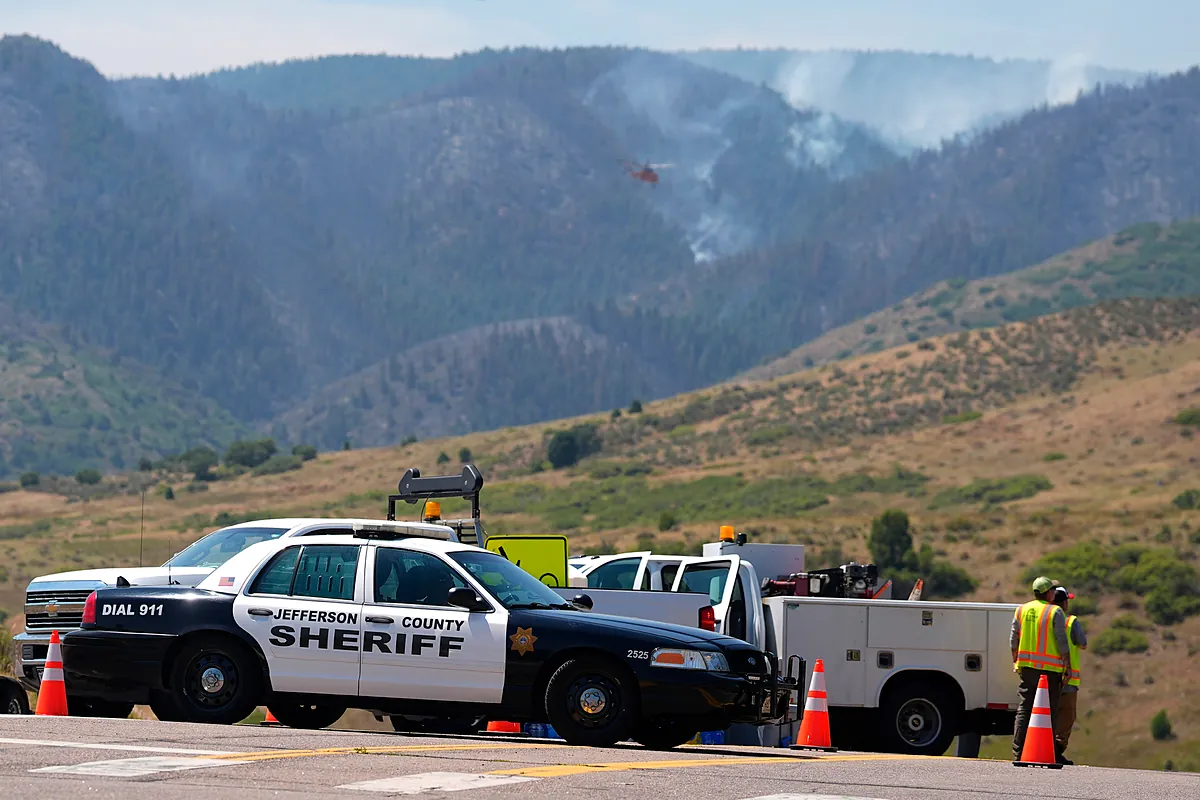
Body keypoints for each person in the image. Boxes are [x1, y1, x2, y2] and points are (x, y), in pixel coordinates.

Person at [1010, 575, 1070, 762]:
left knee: (1025, 709)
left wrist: (1016, 661)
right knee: (1049, 711)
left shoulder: (1022, 610)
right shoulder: (1054, 612)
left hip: (1027, 669)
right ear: (1048, 593)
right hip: (1049, 671)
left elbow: (1013, 640)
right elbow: (1061, 641)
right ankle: (1048, 754)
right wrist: (1066, 665)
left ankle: (1018, 753)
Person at [1051, 586, 1087, 765]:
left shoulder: (1045, 620)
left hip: (1047, 678)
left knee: (1049, 716)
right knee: (1066, 719)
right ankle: (1055, 752)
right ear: (1064, 603)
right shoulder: (1071, 622)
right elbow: (1083, 643)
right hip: (1068, 680)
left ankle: (1045, 749)